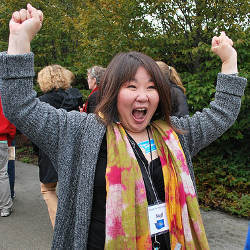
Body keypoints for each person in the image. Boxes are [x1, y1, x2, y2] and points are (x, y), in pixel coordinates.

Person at [0, 4, 247, 249]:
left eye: (151, 87)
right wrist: (19, 40)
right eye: (131, 86)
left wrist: (229, 60)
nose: (143, 96)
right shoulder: (78, 132)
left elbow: (221, 114)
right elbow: (21, 106)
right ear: (112, 92)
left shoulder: (175, 136)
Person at [34, 64, 83, 228]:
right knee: (71, 190)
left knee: (48, 189)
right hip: (74, 149)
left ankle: (61, 228)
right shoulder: (74, 98)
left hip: (50, 152)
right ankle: (76, 225)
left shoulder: (41, 102)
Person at [0, 96, 16, 217]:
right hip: (3, 139)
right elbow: (11, 121)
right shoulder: (4, 98)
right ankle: (5, 206)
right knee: (2, 173)